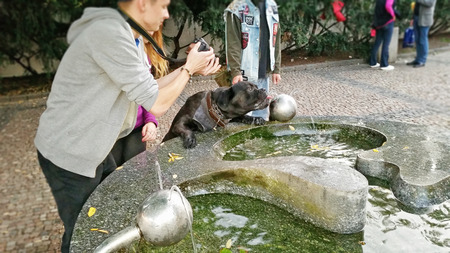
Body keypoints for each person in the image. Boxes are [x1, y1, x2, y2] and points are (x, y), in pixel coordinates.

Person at [34, 0, 220, 251]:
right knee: (81, 232)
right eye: (163, 6)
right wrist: (187, 69)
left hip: (96, 146)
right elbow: (156, 104)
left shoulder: (127, 36)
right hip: (70, 153)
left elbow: (148, 90)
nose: (166, 14)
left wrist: (190, 71)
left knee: (108, 208)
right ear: (142, 3)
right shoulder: (108, 33)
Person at [111, 29, 168, 167]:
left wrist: (150, 121)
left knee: (136, 169)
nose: (151, 32)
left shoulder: (144, 56)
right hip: (113, 129)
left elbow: (147, 92)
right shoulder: (115, 52)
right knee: (112, 174)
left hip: (137, 127)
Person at [224, 0, 282, 121]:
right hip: (244, 75)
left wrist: (276, 68)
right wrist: (236, 72)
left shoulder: (271, 5)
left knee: (261, 118)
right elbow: (232, 43)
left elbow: (276, 37)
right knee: (241, 119)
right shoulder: (236, 8)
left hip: (263, 74)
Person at [406, 0, 437, 68]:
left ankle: (422, 60)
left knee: (422, 40)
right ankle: (417, 59)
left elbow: (430, 3)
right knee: (417, 40)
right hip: (417, 18)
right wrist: (412, 18)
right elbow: (416, 6)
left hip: (425, 19)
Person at [369, 0, 396, 71]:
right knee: (386, 44)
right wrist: (393, 15)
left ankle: (373, 62)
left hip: (379, 24)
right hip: (388, 22)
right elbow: (388, 6)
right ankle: (384, 64)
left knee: (377, 42)